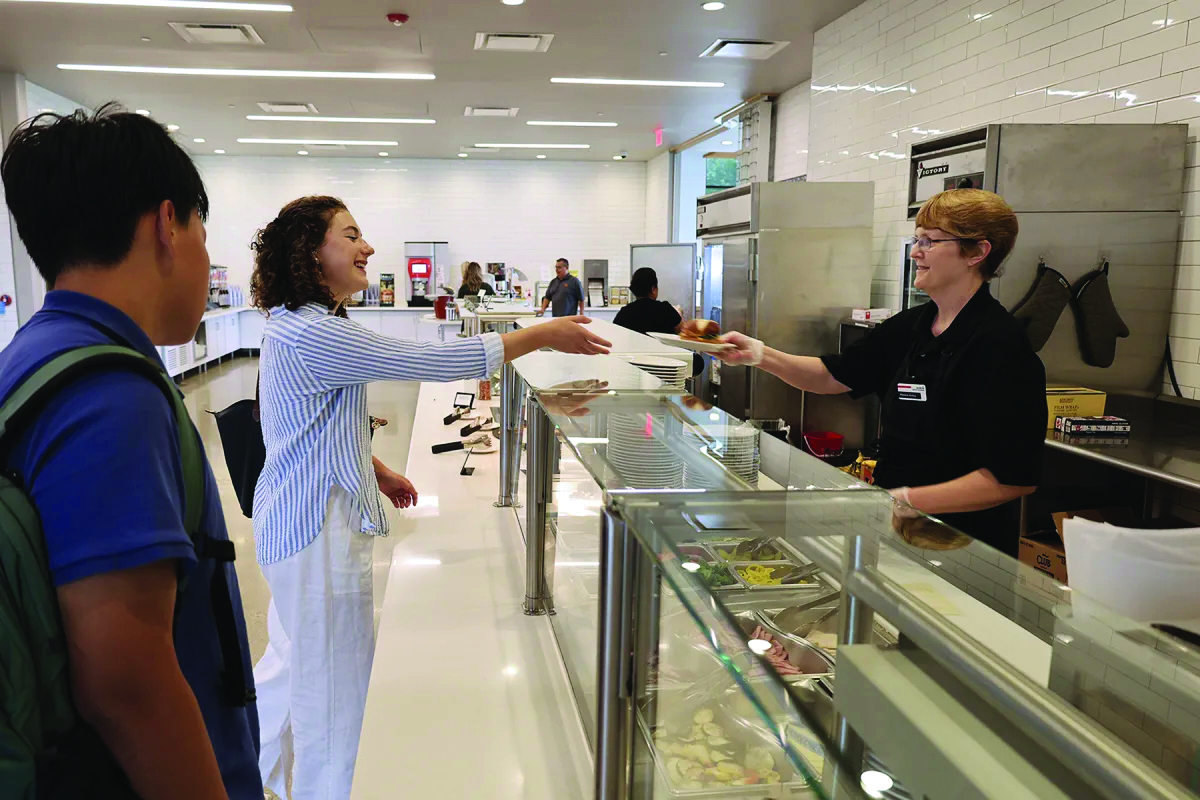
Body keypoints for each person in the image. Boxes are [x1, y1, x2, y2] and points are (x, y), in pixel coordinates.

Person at [248, 196, 610, 800]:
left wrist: (378, 467)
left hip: (297, 523)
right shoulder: (314, 332)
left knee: (306, 674)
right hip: (315, 529)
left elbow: (307, 426)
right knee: (333, 706)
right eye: (352, 235)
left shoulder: (305, 325)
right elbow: (434, 358)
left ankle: (272, 780)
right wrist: (540, 334)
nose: (368, 248)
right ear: (312, 253)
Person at [0, 106, 261, 798]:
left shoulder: (34, 356)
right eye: (204, 231)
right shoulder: (112, 394)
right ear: (167, 224)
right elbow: (126, 684)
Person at [710, 189, 1046, 556]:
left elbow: (1012, 479)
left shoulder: (1000, 346)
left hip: (964, 547)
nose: (916, 252)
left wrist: (906, 499)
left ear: (978, 252)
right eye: (917, 239)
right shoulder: (913, 325)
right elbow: (832, 376)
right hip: (897, 529)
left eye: (930, 241)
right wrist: (758, 354)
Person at [613, 266, 685, 334]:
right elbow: (682, 330)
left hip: (634, 347)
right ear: (653, 289)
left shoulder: (625, 312)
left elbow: (617, 334)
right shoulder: (665, 309)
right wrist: (678, 313)